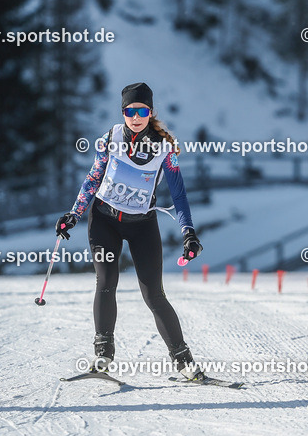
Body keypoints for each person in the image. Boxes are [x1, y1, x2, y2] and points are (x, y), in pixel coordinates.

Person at [55, 82, 205, 380]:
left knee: (154, 295)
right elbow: (93, 178)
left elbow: (179, 194)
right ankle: (103, 356)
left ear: (151, 112)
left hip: (142, 225)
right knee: (106, 280)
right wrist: (74, 214)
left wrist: (188, 232)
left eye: (142, 110)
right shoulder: (110, 138)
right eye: (130, 111)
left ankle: (185, 362)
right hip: (104, 220)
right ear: (123, 112)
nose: (136, 116)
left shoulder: (166, 148)